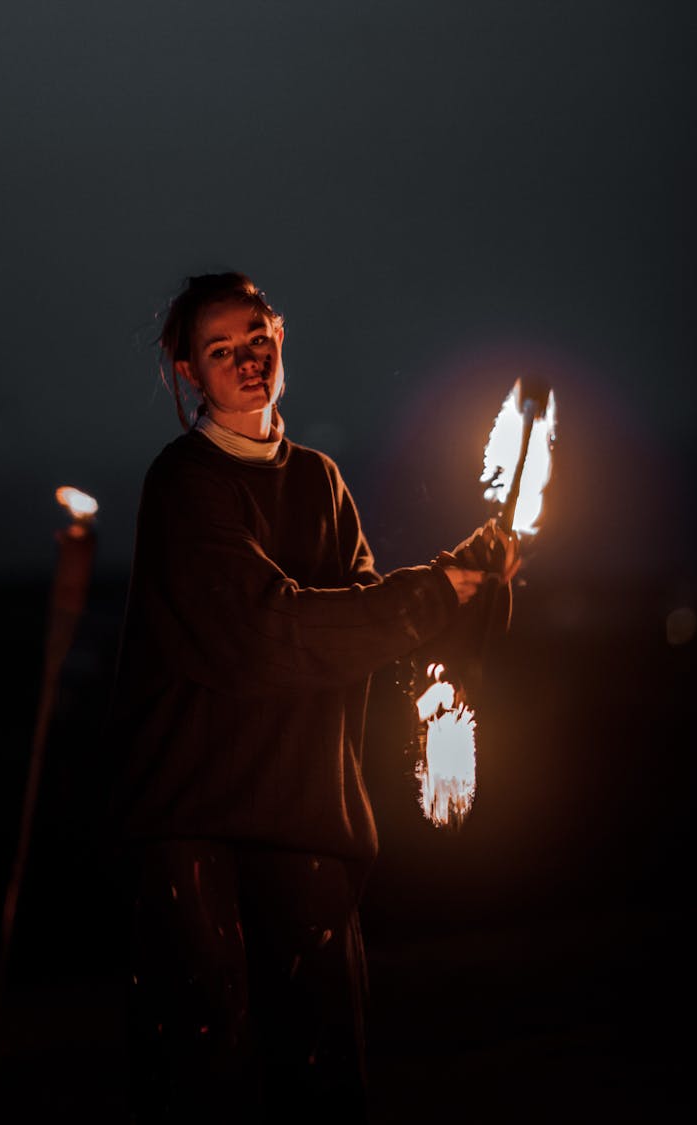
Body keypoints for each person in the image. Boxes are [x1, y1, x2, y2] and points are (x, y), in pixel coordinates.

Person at [105, 270, 520, 1124]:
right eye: (220, 351)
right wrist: (439, 589)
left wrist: (472, 597)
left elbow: (374, 631)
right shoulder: (184, 488)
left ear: (280, 336)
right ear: (190, 372)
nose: (246, 361)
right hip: (198, 831)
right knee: (208, 1084)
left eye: (257, 338)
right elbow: (274, 634)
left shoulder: (321, 482)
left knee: (324, 1085)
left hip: (310, 825)